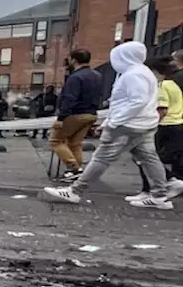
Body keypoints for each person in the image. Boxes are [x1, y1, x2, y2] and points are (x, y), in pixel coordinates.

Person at [44, 41, 172, 209]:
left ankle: (76, 190)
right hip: (143, 123)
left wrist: (113, 121)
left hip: (127, 125)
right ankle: (160, 194)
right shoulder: (143, 72)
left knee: (101, 157)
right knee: (149, 158)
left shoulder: (133, 75)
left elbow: (137, 102)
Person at [126, 57, 183, 201]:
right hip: (176, 124)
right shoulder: (173, 85)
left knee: (145, 157)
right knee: (146, 157)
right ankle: (153, 189)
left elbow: (162, 109)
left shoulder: (161, 86)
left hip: (164, 126)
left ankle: (156, 187)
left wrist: (148, 125)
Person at [51, 49, 101, 180]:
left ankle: (74, 167)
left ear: (73, 60)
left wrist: (61, 118)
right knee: (75, 143)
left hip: (75, 114)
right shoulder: (97, 75)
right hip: (91, 113)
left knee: (56, 141)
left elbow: (70, 98)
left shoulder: (75, 77)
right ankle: (76, 172)